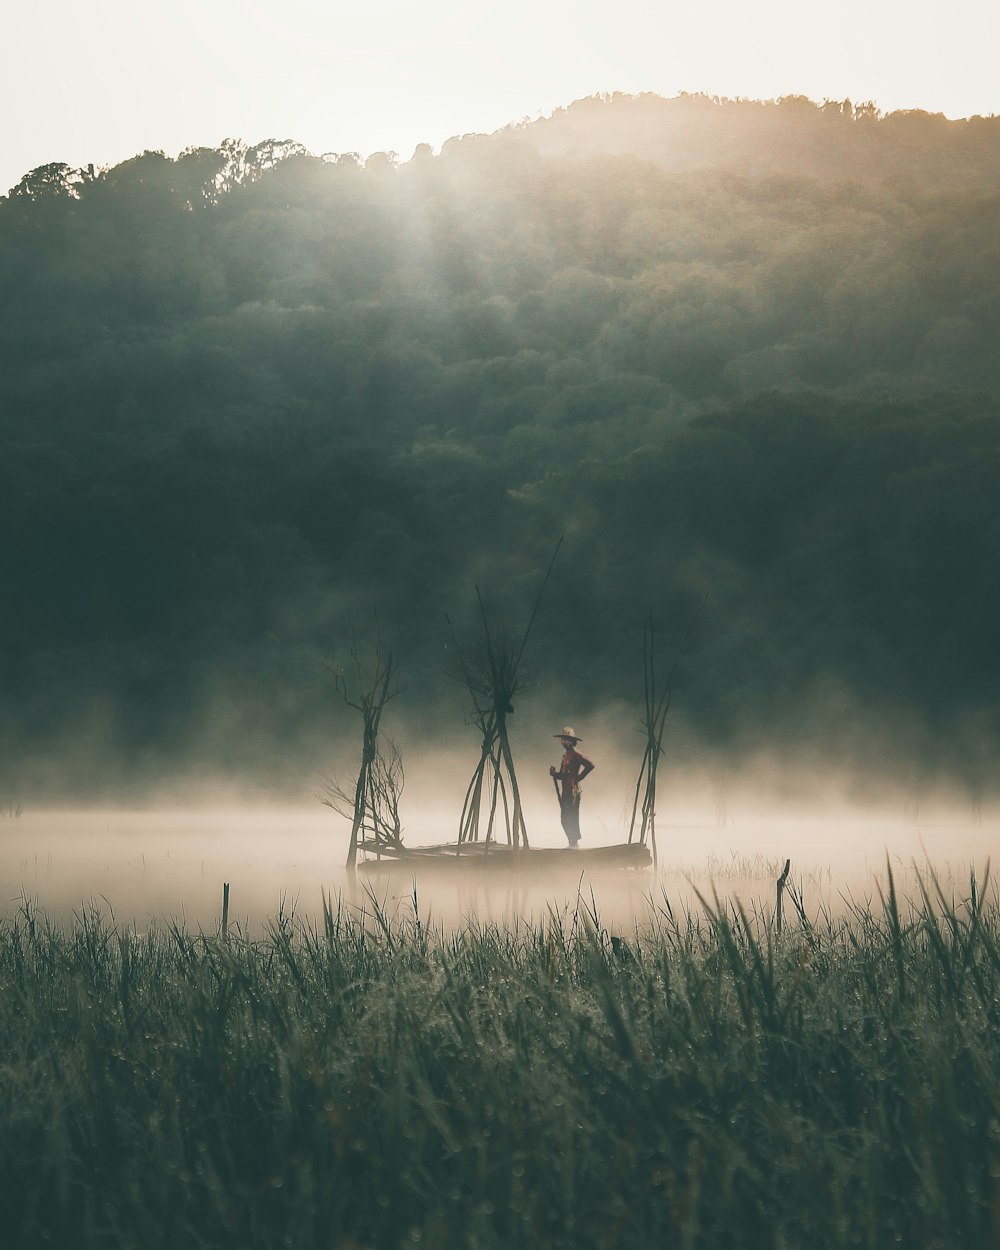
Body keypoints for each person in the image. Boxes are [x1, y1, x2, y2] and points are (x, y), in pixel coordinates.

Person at [549, 727, 594, 847]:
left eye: (566, 739)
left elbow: (590, 765)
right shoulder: (566, 756)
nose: (563, 741)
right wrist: (555, 774)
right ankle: (572, 842)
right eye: (563, 739)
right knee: (565, 819)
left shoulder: (576, 754)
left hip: (573, 790)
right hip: (566, 790)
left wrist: (579, 778)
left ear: (571, 741)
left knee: (571, 817)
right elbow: (564, 775)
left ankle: (574, 843)